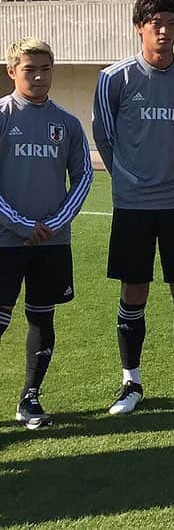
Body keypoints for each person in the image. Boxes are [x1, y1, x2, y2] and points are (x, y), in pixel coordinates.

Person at [92, 0, 174, 415]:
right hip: (133, 204)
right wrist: (130, 178)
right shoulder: (115, 79)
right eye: (154, 23)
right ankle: (131, 383)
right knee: (134, 290)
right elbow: (105, 137)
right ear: (139, 27)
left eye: (169, 22)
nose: (163, 30)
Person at [0, 38, 93, 429]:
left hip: (52, 242)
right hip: (5, 241)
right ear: (12, 71)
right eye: (29, 70)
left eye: (45, 69)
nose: (39, 77)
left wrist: (55, 223)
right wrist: (20, 224)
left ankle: (30, 399)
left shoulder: (67, 123)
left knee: (42, 318)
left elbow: (84, 176)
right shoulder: (3, 115)